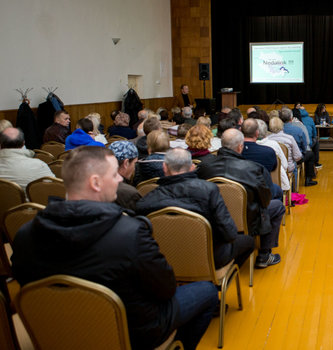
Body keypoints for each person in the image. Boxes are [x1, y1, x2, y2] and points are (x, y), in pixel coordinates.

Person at [11, 146, 219, 350]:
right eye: (114, 174)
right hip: (131, 333)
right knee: (208, 291)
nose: (120, 179)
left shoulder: (24, 234)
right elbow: (166, 289)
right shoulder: (131, 233)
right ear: (95, 182)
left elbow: (27, 285)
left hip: (58, 332)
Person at [136, 148, 255, 268]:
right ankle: (223, 278)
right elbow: (230, 233)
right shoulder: (209, 190)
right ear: (192, 167)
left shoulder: (145, 202)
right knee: (249, 241)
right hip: (210, 259)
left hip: (164, 263)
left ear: (164, 168)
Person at [197, 129, 286, 268]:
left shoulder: (204, 167)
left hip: (214, 218)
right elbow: (266, 199)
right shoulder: (253, 168)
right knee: (278, 206)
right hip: (248, 219)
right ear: (240, 146)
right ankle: (264, 255)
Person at [108, 140, 141, 211]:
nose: (135, 168)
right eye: (134, 163)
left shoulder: (97, 185)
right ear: (126, 163)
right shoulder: (130, 194)